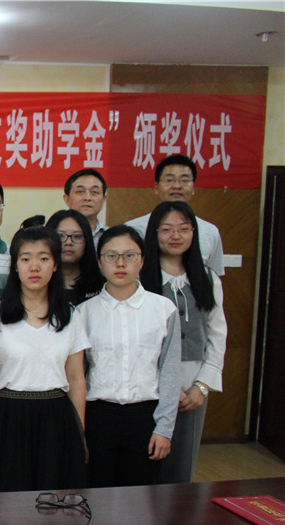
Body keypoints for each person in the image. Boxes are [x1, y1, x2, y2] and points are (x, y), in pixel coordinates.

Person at [0, 226, 90, 492]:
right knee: (11, 500)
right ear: (15, 265)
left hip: (57, 417)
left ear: (56, 265)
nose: (34, 267)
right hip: (9, 416)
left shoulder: (70, 315)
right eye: (26, 259)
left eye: (43, 258)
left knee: (55, 497)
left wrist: (78, 432)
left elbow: (76, 379)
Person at [79, 226, 181, 487]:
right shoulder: (83, 313)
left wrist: (164, 429)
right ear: (100, 261)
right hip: (98, 417)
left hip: (146, 417)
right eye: (111, 256)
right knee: (97, 495)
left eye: (130, 255)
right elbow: (77, 376)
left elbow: (170, 373)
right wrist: (79, 431)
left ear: (142, 260)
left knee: (140, 498)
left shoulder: (163, 309)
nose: (120, 263)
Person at [140, 201, 227, 484]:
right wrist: (167, 387)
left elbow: (217, 333)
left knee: (182, 467)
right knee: (148, 462)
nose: (175, 236)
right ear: (154, 233)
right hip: (149, 383)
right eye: (166, 229)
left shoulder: (208, 278)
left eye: (184, 229)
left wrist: (202, 386)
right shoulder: (140, 279)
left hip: (193, 386)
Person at [124, 154, 225, 276]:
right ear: (156, 187)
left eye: (185, 180)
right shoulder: (133, 229)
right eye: (169, 180)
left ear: (193, 188)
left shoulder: (210, 231)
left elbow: (213, 276)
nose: (177, 186)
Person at [44, 209, 104, 306]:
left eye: (77, 236)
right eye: (61, 236)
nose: (69, 242)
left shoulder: (102, 287)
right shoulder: (38, 283)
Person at [62, 168, 108, 246]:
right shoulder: (54, 236)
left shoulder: (112, 237)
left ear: (104, 200)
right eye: (80, 191)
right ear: (67, 199)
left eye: (94, 192)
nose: (87, 198)